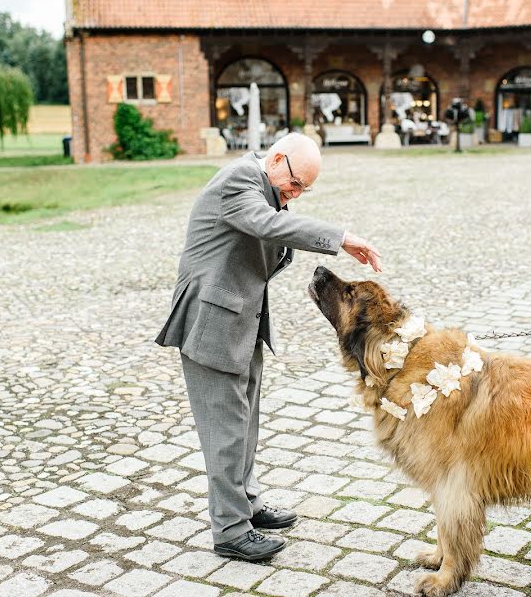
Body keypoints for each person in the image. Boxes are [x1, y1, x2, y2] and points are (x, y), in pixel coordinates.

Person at [155, 133, 381, 561]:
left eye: (302, 191)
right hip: (211, 322)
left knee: (245, 422)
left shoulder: (268, 184)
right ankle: (230, 530)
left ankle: (249, 505)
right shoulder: (237, 181)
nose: (293, 195)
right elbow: (270, 226)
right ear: (276, 158)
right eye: (295, 185)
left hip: (242, 318)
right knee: (224, 433)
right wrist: (341, 237)